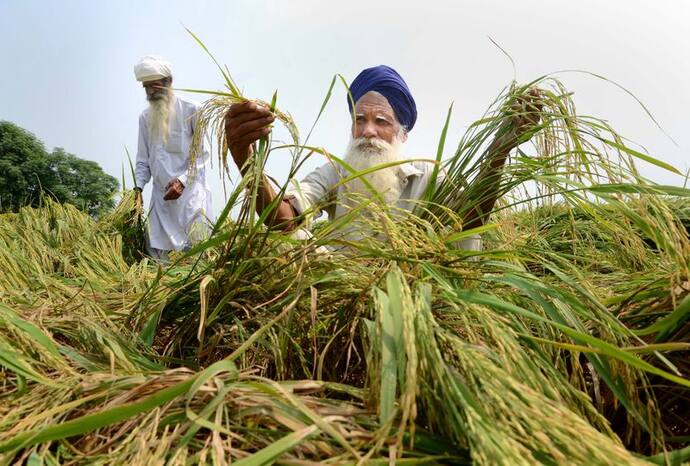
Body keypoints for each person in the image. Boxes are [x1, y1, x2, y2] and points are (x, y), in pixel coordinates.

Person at [223, 65, 540, 248]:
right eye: (360, 121)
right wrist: (247, 161)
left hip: (409, 293)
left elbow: (470, 219)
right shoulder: (336, 172)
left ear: (402, 133)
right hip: (343, 296)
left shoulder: (427, 177)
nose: (368, 131)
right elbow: (283, 220)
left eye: (381, 122)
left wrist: (498, 154)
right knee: (302, 244)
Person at [133, 55, 212, 261]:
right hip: (161, 200)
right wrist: (138, 189)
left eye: (155, 86)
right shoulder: (145, 118)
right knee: (156, 259)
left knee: (198, 257)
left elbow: (202, 155)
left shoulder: (192, 110)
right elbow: (143, 159)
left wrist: (182, 181)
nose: (150, 92)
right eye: (146, 87)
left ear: (169, 83)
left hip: (191, 200)